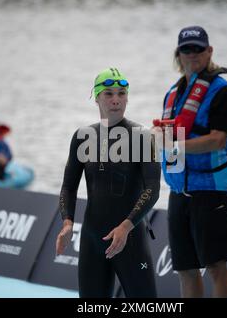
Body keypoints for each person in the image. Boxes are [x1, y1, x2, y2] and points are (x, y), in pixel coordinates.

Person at [55, 68, 160, 298]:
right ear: (96, 98)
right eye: (109, 94)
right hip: (93, 239)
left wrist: (125, 226)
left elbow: (153, 190)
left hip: (130, 240)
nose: (116, 100)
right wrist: (67, 223)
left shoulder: (142, 137)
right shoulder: (83, 136)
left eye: (121, 93)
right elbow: (68, 186)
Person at [157, 26, 227, 298]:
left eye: (198, 49)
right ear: (178, 54)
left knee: (216, 267)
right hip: (179, 191)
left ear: (209, 51)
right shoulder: (173, 92)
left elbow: (217, 140)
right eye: (186, 49)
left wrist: (173, 145)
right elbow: (168, 135)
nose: (192, 54)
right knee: (185, 269)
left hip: (209, 189)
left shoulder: (222, 91)